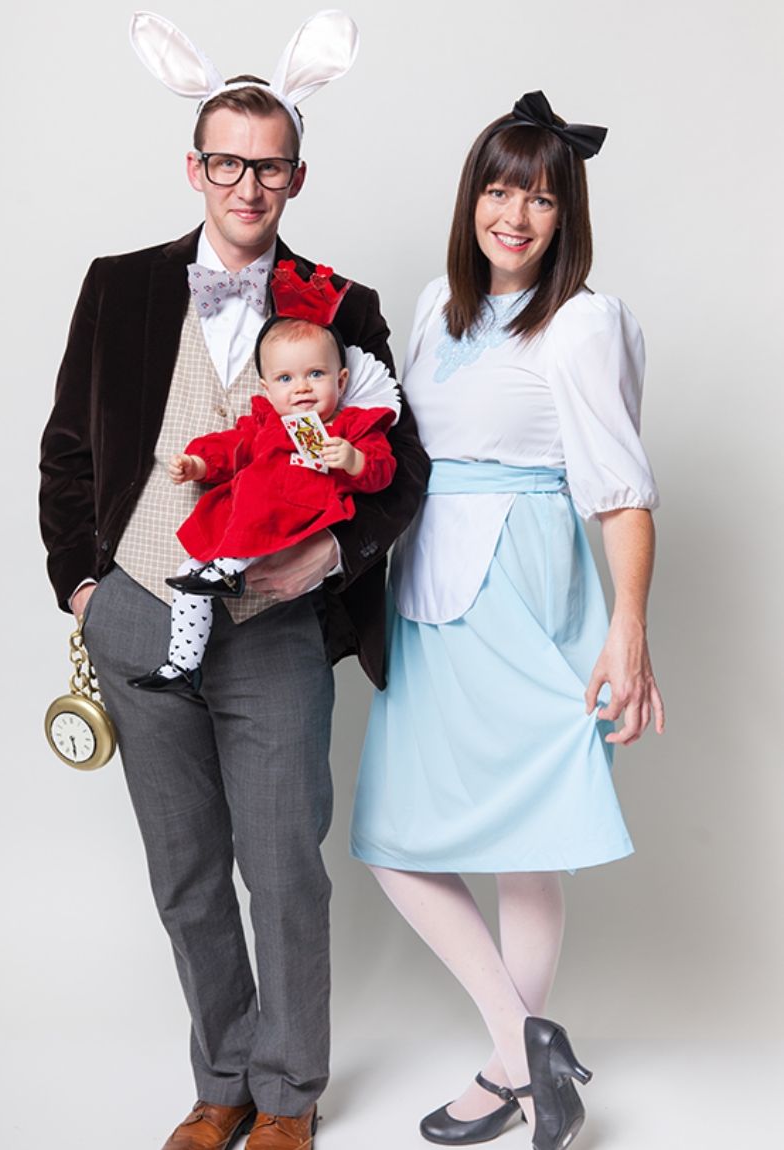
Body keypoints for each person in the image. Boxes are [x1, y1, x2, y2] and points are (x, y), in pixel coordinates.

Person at [39, 11, 428, 1150]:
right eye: (226, 160)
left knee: (281, 870)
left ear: (297, 174)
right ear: (194, 165)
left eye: (267, 164)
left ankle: (290, 1094)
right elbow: (67, 451)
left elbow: (402, 474)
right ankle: (221, 1082)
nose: (246, 184)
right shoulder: (118, 285)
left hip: (271, 628)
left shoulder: (343, 303)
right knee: (186, 873)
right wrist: (82, 587)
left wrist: (337, 553)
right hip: (137, 613)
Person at [349, 90, 664, 1150]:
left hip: (527, 589)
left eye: (538, 194)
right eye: (496, 187)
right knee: (397, 837)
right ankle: (527, 1046)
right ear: (470, 199)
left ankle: (509, 1065)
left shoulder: (584, 321)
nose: (513, 214)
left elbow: (617, 489)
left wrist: (629, 629)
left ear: (565, 211)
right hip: (430, 587)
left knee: (527, 845)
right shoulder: (434, 306)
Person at [129, 289, 399, 693]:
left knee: (260, 484)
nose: (302, 388)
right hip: (253, 519)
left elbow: (385, 471)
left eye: (316, 375)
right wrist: (198, 463)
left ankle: (229, 568)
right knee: (188, 575)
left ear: (341, 380)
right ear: (268, 388)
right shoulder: (265, 425)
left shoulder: (352, 427)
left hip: (303, 511)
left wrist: (353, 459)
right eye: (286, 379)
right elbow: (230, 448)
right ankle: (184, 662)